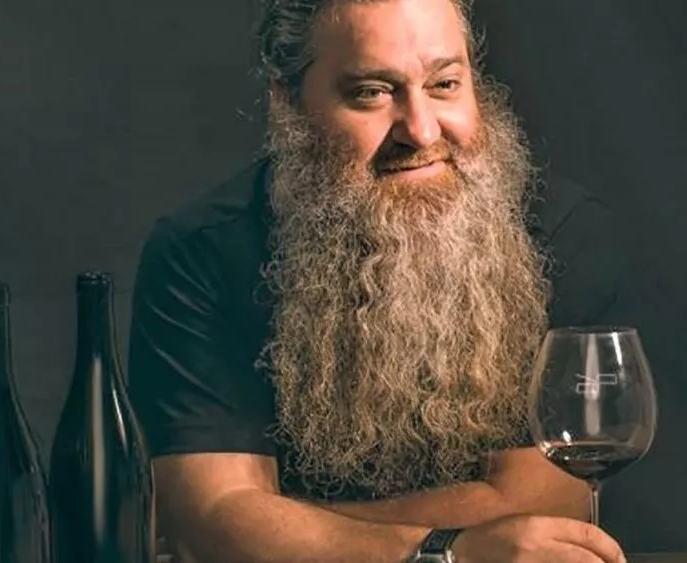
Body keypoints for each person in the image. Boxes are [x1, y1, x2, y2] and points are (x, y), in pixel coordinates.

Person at [127, 0, 636, 561]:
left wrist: (280, 524)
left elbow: (551, 502)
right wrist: (451, 552)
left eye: (444, 84)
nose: (421, 130)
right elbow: (209, 526)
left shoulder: (558, 233)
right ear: (286, 103)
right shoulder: (199, 255)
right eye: (371, 92)